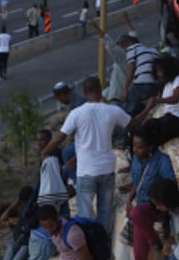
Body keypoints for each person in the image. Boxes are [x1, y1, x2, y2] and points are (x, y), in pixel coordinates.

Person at [41, 76, 131, 236]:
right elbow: (133, 123)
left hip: (86, 171)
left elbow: (60, 137)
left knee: (86, 214)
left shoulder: (77, 113)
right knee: (105, 210)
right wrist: (149, 107)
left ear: (84, 92)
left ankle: (89, 245)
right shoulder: (112, 110)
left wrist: (45, 152)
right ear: (100, 89)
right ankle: (103, 244)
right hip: (107, 168)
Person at [123, 133, 176, 260]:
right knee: (139, 253)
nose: (136, 151)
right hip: (141, 207)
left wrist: (155, 199)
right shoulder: (137, 161)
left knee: (138, 213)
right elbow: (136, 183)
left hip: (158, 205)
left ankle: (157, 245)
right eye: (134, 147)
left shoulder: (163, 161)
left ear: (151, 147)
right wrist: (129, 199)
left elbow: (170, 186)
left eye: (140, 147)